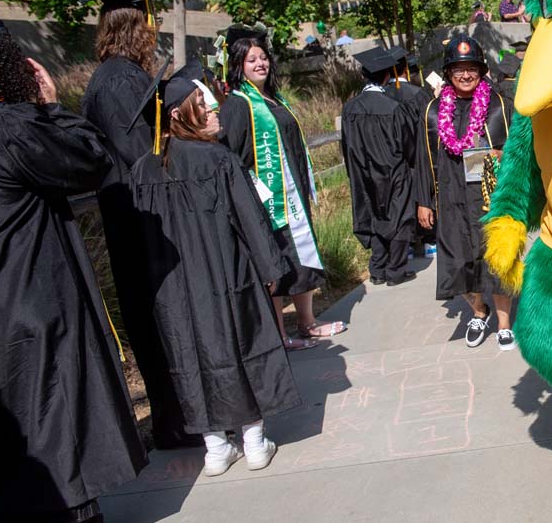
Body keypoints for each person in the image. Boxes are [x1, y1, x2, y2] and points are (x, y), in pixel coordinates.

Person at [0, 15, 156, 523]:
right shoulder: (9, 125)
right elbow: (90, 159)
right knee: (52, 407)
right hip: (31, 293)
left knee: (4, 418)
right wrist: (50, 104)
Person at [131, 67, 299, 476]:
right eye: (201, 104)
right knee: (245, 346)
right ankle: (255, 441)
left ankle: (215, 448)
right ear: (176, 115)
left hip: (174, 288)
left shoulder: (142, 172)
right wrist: (270, 266)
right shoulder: (217, 158)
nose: (210, 108)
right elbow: (249, 218)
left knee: (192, 357)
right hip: (228, 274)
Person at [79, 0, 196, 450]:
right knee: (158, 319)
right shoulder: (119, 80)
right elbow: (140, 155)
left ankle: (177, 417)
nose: (153, 29)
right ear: (133, 26)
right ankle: (176, 421)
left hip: (135, 215)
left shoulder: (113, 76)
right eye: (147, 21)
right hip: (141, 218)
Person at [219, 26, 346, 350]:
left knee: (301, 257)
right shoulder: (237, 105)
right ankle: (279, 335)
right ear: (238, 66)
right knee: (276, 264)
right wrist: (260, 196)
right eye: (251, 60)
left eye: (263, 58)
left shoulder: (273, 99)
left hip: (292, 198)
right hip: (266, 203)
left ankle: (308, 323)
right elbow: (234, 159)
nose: (260, 63)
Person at [415, 34, 514, 349]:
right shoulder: (433, 111)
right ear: (448, 73)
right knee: (458, 264)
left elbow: (518, 148)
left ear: (481, 69)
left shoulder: (497, 104)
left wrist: (502, 155)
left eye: (472, 67)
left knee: (496, 261)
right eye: (459, 69)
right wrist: (424, 202)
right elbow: (422, 159)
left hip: (490, 196)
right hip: (452, 198)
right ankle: (478, 310)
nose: (466, 74)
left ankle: (503, 324)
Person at [342, 46, 420, 286]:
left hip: (363, 173)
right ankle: (395, 270)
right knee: (400, 217)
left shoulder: (350, 108)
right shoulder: (394, 107)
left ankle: (377, 269)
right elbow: (409, 145)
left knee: (374, 215)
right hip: (394, 171)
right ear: (387, 75)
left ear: (364, 76)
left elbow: (346, 147)